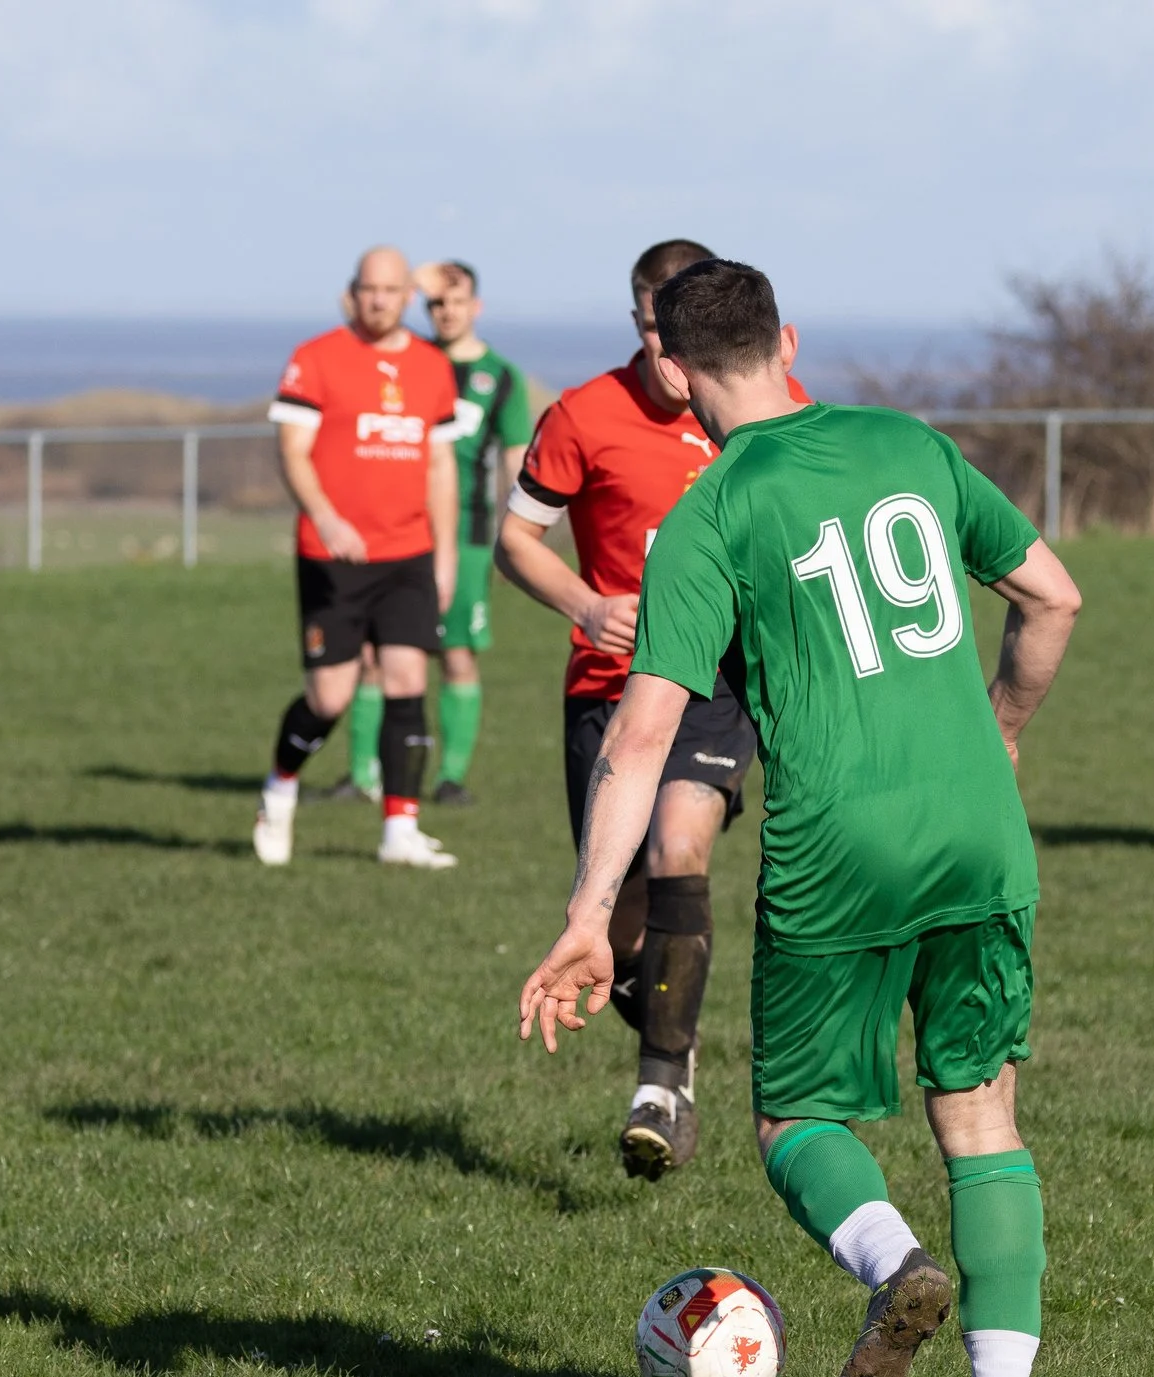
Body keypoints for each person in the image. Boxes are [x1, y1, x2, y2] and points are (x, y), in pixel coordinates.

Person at [518, 259, 1082, 1377]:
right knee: (980, 1116)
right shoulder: (909, 444)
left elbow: (644, 727)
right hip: (980, 826)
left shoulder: (710, 514)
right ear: (788, 337)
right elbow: (1052, 598)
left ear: (670, 367)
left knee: (795, 1119)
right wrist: (1004, 736)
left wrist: (586, 908)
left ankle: (896, 1265)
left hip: (840, 839)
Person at [496, 240, 806, 1181]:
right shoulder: (583, 416)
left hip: (716, 684)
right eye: (647, 327)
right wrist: (585, 604)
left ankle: (661, 1084)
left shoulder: (760, 415)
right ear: (638, 322)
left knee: (682, 841)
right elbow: (514, 538)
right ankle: (672, 1024)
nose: (663, 352)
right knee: (626, 929)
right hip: (607, 683)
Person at [252, 245, 463, 870]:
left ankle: (400, 828)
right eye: (369, 289)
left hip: (408, 554)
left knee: (407, 680)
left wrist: (444, 554)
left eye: (392, 290)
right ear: (353, 293)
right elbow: (292, 450)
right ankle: (280, 787)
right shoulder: (315, 359)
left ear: (407, 297)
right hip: (333, 554)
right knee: (330, 698)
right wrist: (325, 516)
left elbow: (441, 465)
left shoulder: (431, 367)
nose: (379, 300)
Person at [314, 262, 533, 808]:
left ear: (476, 307)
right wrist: (409, 277)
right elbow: (356, 313)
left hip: (469, 535)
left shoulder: (501, 377)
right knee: (372, 654)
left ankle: (450, 777)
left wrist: (519, 541)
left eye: (457, 302)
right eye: (436, 303)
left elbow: (515, 463)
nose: (447, 312)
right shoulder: (407, 361)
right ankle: (363, 778)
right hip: (399, 530)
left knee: (456, 653)